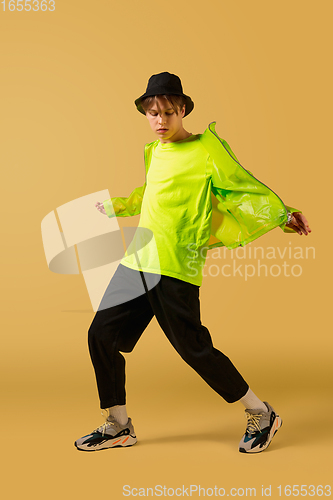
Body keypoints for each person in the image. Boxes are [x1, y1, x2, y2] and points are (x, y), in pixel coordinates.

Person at [74, 72, 311, 454]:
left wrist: (283, 214)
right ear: (146, 115)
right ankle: (118, 425)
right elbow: (150, 192)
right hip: (138, 260)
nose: (161, 121)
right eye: (153, 114)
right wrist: (117, 206)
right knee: (100, 334)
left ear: (182, 110)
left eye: (168, 112)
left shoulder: (206, 149)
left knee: (193, 348)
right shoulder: (154, 151)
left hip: (175, 265)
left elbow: (242, 184)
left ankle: (261, 413)